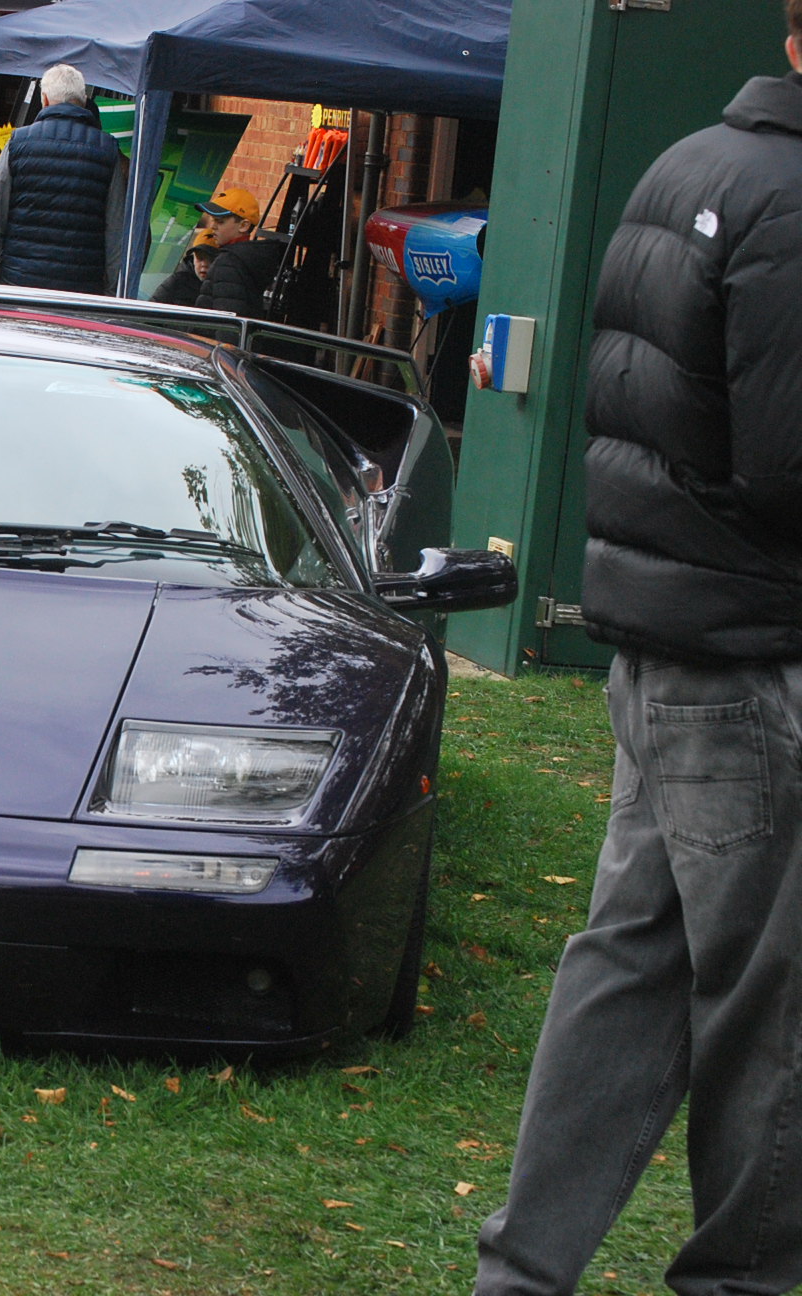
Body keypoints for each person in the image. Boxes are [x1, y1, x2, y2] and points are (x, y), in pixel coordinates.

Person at [472, 8, 802, 1293]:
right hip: (748, 653)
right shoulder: (784, 198)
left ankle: (522, 1270)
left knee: (631, 964)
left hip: (668, 647)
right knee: (769, 1005)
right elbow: (786, 467)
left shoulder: (690, 164)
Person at [0, 64, 124, 295]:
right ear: (83, 101)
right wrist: (111, 287)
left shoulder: (18, 142)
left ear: (45, 99)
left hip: (19, 282)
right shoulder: (107, 149)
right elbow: (115, 227)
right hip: (81, 288)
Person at [193, 186, 279, 318]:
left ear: (244, 225)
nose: (212, 226)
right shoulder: (249, 259)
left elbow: (227, 320)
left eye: (220, 221)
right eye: (212, 219)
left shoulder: (228, 262)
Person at [151, 228, 218, 306]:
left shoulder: (224, 285)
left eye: (211, 259)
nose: (204, 264)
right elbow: (151, 308)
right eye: (199, 257)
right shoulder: (177, 281)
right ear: (193, 257)